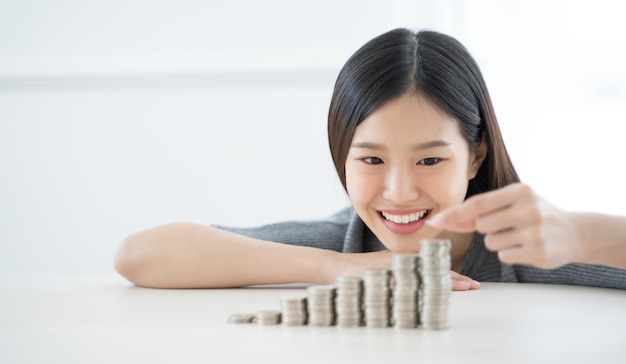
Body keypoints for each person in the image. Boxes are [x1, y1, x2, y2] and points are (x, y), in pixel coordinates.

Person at [113, 28, 626, 290]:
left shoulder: (527, 250)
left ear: (475, 157)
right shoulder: (347, 247)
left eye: (429, 161)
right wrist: (333, 268)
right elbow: (138, 255)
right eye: (371, 161)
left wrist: (584, 235)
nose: (399, 192)